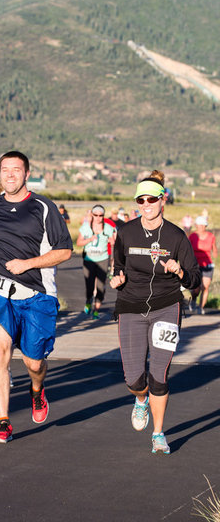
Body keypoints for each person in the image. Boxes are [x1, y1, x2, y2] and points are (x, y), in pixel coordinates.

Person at [0, 150, 72, 443]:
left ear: (27, 174)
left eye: (16, 170)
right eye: (5, 169)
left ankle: (37, 391)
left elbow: (65, 251)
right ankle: (3, 421)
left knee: (34, 363)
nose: (10, 174)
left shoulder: (43, 207)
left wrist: (28, 264)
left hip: (37, 294)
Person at [110, 170, 200, 454]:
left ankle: (158, 434)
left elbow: (195, 280)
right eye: (141, 200)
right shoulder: (125, 232)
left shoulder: (176, 237)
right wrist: (117, 279)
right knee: (134, 379)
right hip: (131, 307)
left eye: (152, 199)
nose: (146, 204)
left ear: (163, 200)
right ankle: (140, 399)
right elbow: (118, 266)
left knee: (159, 375)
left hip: (166, 308)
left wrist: (180, 271)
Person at [76, 204, 115, 319]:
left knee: (101, 286)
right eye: (96, 215)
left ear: (103, 216)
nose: (98, 217)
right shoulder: (85, 228)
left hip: (103, 259)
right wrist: (89, 239)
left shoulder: (108, 228)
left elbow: (114, 241)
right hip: (89, 260)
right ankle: (88, 300)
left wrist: (112, 241)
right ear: (92, 215)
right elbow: (78, 243)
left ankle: (96, 310)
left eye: (101, 215)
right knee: (89, 285)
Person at [188, 216, 218, 315]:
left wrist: (215, 255)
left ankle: (201, 307)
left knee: (205, 287)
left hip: (207, 265)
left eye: (202, 225)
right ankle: (193, 299)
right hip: (195, 265)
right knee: (197, 288)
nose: (200, 227)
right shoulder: (192, 236)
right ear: (196, 225)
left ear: (205, 226)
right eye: (198, 225)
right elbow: (187, 250)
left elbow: (214, 249)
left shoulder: (211, 236)